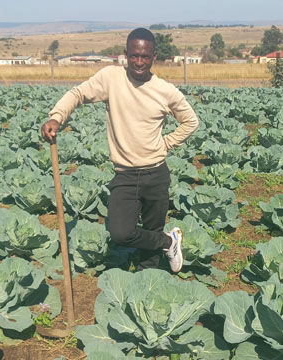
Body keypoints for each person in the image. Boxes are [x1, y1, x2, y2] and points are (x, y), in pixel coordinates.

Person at [41, 28, 199, 273]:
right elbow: (78, 94)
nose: (138, 62)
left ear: (154, 57)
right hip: (125, 175)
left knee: (151, 232)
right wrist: (56, 118)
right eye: (134, 55)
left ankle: (150, 279)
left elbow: (191, 121)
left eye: (145, 57)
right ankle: (170, 242)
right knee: (120, 233)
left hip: (156, 173)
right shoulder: (111, 78)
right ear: (125, 54)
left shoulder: (165, 90)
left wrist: (166, 144)